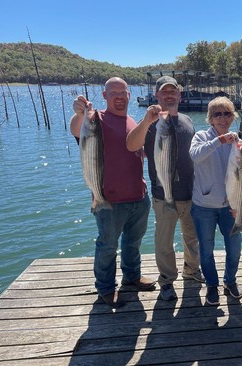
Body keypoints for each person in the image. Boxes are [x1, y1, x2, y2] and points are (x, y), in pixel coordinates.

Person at [70, 77, 156, 308]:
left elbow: (134, 149)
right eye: (113, 92)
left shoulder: (130, 120)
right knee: (107, 246)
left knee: (133, 243)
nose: (119, 96)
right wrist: (79, 113)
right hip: (108, 198)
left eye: (123, 92)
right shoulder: (95, 118)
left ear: (129, 95)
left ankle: (132, 276)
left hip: (139, 196)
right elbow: (76, 130)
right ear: (104, 96)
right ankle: (106, 288)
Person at [126, 76, 203, 302]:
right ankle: (167, 281)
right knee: (164, 242)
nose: (169, 95)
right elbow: (131, 145)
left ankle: (192, 270)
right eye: (164, 92)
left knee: (192, 238)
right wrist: (147, 121)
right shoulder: (151, 123)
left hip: (191, 193)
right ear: (157, 95)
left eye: (173, 91)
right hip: (163, 195)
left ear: (179, 95)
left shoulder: (188, 120)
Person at [189, 96, 242, 306]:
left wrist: (238, 204)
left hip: (230, 207)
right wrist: (217, 141)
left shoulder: (238, 142)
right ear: (210, 118)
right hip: (203, 206)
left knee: (235, 247)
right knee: (206, 249)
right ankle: (212, 284)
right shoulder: (201, 136)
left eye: (227, 113)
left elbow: (241, 175)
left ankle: (230, 280)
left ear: (233, 116)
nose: (222, 118)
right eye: (217, 114)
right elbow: (195, 155)